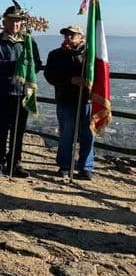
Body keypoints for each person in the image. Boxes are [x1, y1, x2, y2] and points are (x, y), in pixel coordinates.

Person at [0, 1, 43, 177]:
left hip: (22, 93)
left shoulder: (28, 42)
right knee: (0, 129)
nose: (15, 24)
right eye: (11, 20)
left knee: (19, 131)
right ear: (4, 22)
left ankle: (15, 162)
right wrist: (15, 66)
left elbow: (37, 64)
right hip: (2, 93)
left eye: (18, 21)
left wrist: (26, 70)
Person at [44, 25, 94, 180]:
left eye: (73, 34)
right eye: (66, 34)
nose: (68, 37)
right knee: (66, 134)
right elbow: (50, 75)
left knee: (88, 134)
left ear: (82, 37)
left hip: (87, 99)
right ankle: (64, 165)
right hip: (65, 99)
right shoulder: (56, 55)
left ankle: (86, 167)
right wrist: (70, 80)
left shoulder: (91, 56)